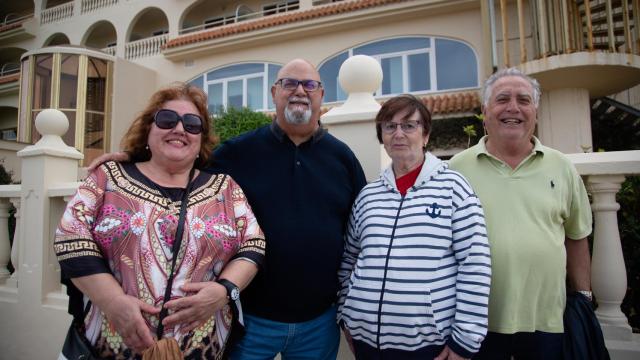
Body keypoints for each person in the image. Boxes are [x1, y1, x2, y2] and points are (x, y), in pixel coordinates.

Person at [87, 59, 367, 359]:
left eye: (309, 84)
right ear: (274, 92)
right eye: (289, 83)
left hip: (319, 322)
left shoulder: (342, 158)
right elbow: (180, 160)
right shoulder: (237, 152)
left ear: (321, 94)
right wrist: (132, 159)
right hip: (251, 319)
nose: (300, 90)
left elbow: (361, 230)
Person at [54, 83, 266, 359]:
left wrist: (224, 291)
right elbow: (71, 237)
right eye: (167, 120)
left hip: (202, 349)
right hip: (106, 346)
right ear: (148, 130)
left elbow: (254, 243)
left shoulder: (225, 188)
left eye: (192, 124)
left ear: (201, 138)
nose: (179, 129)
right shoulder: (107, 177)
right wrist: (113, 302)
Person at [448, 68, 593, 360]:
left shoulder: (561, 167)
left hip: (547, 321)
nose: (513, 108)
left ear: (535, 112)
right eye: (503, 99)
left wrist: (584, 299)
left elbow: (577, 236)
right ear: (485, 110)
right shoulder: (456, 169)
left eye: (523, 100)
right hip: (475, 322)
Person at [337, 94, 490, 360]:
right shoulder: (368, 196)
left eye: (409, 125)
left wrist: (464, 342)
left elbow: (475, 264)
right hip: (365, 344)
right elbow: (349, 258)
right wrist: (346, 315)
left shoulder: (454, 188)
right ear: (382, 136)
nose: (399, 134)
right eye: (390, 126)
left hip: (431, 347)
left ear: (426, 135)